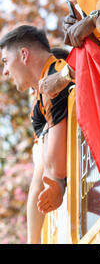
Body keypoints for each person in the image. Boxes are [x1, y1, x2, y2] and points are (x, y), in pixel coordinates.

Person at [0, 26, 72, 244]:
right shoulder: (38, 100)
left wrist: (56, 183)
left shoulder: (55, 79)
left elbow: (56, 167)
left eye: (4, 62)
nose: (4, 72)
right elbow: (43, 173)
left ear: (23, 54)